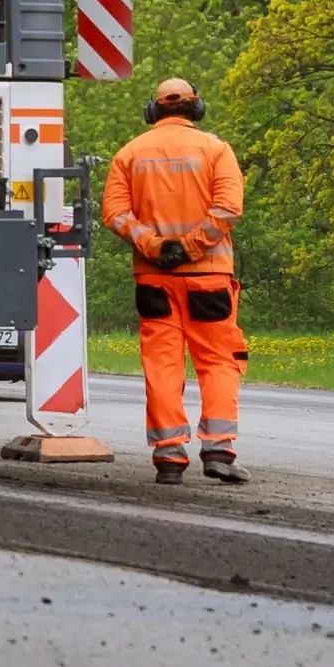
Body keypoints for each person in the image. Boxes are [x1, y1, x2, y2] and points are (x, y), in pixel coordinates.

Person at [100, 78, 251, 485]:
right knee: (219, 362)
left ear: (154, 111)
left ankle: (169, 454)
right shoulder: (217, 150)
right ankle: (218, 448)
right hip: (209, 279)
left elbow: (114, 212)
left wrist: (155, 245)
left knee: (162, 365)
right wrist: (191, 247)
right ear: (195, 109)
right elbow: (228, 208)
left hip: (154, 280)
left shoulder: (129, 153)